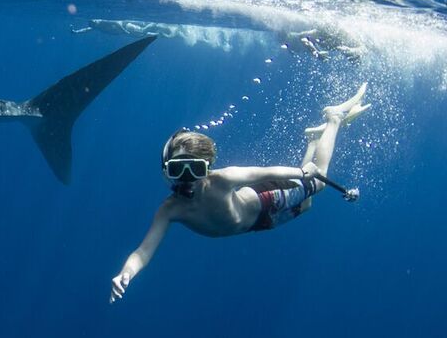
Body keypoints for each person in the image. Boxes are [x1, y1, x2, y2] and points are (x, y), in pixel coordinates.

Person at [110, 83, 370, 304]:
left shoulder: (223, 179)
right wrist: (127, 273)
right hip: (255, 225)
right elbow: (143, 252)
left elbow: (266, 173)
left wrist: (302, 174)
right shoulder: (170, 210)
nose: (188, 178)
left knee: (319, 183)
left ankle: (333, 118)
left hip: (266, 200)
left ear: (208, 168)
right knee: (307, 206)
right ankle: (313, 141)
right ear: (167, 170)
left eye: (196, 169)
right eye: (180, 169)